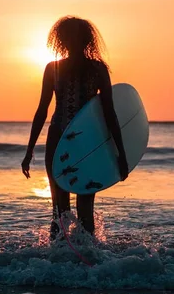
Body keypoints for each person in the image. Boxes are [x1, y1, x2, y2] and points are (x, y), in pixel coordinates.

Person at [21, 16, 129, 239]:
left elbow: (43, 110)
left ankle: (60, 260)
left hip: (63, 139)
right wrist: (120, 153)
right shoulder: (90, 69)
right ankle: (87, 262)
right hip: (86, 142)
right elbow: (109, 114)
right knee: (80, 208)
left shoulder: (60, 69)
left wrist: (30, 150)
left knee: (60, 209)